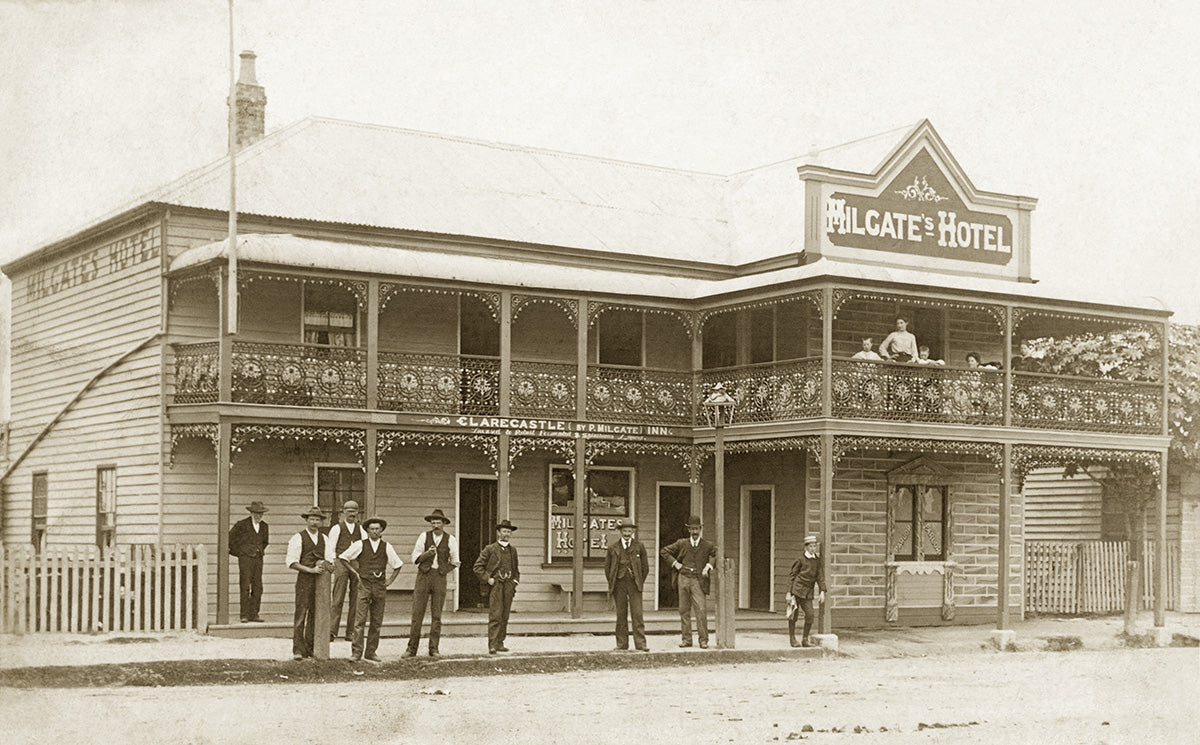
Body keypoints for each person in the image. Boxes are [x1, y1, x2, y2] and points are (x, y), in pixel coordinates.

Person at [338, 516, 404, 663]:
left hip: (380, 587)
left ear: (381, 531)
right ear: (367, 530)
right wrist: (355, 573)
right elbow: (343, 557)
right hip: (364, 585)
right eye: (372, 529)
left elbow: (398, 565)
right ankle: (356, 652)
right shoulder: (360, 544)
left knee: (376, 621)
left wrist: (389, 581)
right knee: (359, 621)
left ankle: (371, 652)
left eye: (377, 529)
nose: (374, 531)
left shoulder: (386, 546)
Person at [404, 508, 460, 658]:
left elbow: (455, 561)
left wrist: (443, 571)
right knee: (417, 613)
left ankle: (434, 648)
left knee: (437, 615)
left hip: (439, 578)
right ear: (430, 524)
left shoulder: (451, 539)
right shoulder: (424, 536)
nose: (436, 525)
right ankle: (411, 649)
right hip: (423, 576)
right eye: (433, 522)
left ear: (443, 524)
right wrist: (427, 554)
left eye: (438, 522)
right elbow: (414, 557)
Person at [661, 515, 716, 649]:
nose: (695, 532)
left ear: (701, 529)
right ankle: (686, 640)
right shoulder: (682, 543)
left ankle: (703, 640)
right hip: (684, 578)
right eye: (692, 529)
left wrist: (708, 567)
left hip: (698, 580)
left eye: (697, 529)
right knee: (684, 610)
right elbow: (664, 551)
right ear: (688, 530)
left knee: (701, 610)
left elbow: (717, 554)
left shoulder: (707, 545)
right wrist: (675, 564)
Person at [285, 508, 332, 660]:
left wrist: (329, 565)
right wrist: (310, 570)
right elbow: (292, 562)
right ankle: (298, 650)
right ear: (306, 520)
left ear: (321, 521)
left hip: (320, 582)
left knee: (315, 614)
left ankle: (310, 647)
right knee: (301, 614)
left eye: (317, 519)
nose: (314, 522)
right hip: (305, 580)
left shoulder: (325, 539)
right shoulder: (298, 538)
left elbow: (330, 559)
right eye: (311, 519)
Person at [473, 519, 520, 654]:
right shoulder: (490, 549)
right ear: (499, 533)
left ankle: (500, 643)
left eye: (508, 532)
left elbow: (516, 569)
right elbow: (477, 567)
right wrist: (488, 579)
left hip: (509, 586)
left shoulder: (513, 550)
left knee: (505, 615)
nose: (506, 534)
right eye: (504, 531)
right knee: (496, 615)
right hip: (497, 586)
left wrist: (515, 581)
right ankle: (492, 645)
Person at [605, 519, 649, 652]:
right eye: (624, 531)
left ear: (633, 531)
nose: (627, 533)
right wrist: (614, 581)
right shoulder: (613, 548)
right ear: (620, 531)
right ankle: (622, 644)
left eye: (629, 531)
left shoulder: (639, 546)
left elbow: (645, 568)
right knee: (621, 615)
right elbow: (607, 569)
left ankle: (640, 644)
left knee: (637, 614)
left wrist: (639, 581)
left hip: (634, 585)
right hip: (619, 584)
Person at [326, 500, 365, 642]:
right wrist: (332, 562)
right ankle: (331, 631)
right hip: (341, 563)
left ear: (358, 513)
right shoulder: (337, 528)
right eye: (349, 511)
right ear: (343, 512)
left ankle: (351, 632)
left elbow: (364, 547)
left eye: (355, 511)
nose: (352, 514)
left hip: (356, 564)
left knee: (356, 598)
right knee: (338, 598)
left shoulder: (361, 530)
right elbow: (330, 547)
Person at [228, 501, 269, 622]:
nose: (258, 516)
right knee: (245, 585)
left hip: (258, 559)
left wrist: (258, 551)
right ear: (251, 513)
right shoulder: (241, 525)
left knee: (258, 587)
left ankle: (254, 614)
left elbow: (265, 542)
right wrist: (241, 552)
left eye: (261, 513)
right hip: (245, 559)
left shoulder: (264, 526)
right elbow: (230, 540)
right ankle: (244, 614)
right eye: (256, 513)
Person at [787, 535, 827, 648]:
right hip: (797, 590)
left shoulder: (817, 561)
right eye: (810, 546)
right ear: (806, 547)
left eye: (814, 546)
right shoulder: (800, 560)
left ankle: (805, 639)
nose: (813, 549)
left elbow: (820, 576)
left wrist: (822, 591)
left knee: (810, 615)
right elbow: (792, 576)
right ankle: (792, 638)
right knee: (793, 615)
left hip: (808, 592)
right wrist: (789, 593)